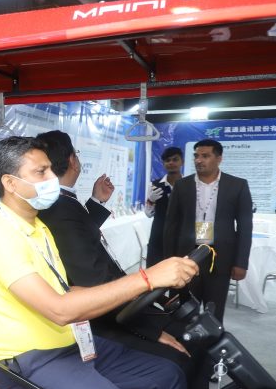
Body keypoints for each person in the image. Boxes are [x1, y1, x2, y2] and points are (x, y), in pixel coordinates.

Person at [0, 136, 198, 389]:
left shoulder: (36, 228)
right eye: (41, 171)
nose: (51, 178)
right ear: (10, 182)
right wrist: (148, 278)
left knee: (167, 376)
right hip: (28, 363)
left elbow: (69, 293)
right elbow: (60, 309)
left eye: (50, 170)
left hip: (69, 346)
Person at [37, 131, 190, 373]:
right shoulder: (58, 207)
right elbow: (95, 281)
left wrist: (97, 202)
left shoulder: (62, 203)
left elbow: (78, 236)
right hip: (104, 315)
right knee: (182, 349)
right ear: (72, 161)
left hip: (113, 303)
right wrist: (149, 327)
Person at [164, 139, 253, 322]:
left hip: (220, 258)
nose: (199, 160)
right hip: (187, 257)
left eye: (205, 156)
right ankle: (183, 348)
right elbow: (171, 225)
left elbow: (245, 227)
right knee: (185, 311)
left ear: (219, 158)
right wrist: (168, 259)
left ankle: (210, 346)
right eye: (196, 156)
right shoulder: (182, 185)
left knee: (214, 313)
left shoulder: (237, 185)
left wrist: (241, 262)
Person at [145, 147, 183, 266]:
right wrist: (151, 201)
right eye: (167, 160)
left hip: (181, 234)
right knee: (156, 270)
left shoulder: (189, 184)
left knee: (180, 272)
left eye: (175, 159)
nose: (171, 163)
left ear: (182, 161)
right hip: (159, 234)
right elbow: (148, 214)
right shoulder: (155, 185)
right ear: (163, 163)